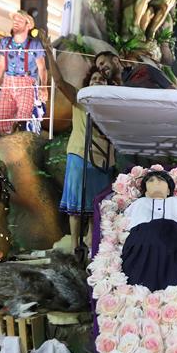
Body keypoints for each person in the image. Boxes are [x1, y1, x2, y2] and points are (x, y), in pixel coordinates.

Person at [58, 69, 113, 252]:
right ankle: (75, 246)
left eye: (102, 79)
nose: (97, 81)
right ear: (88, 84)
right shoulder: (80, 100)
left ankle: (92, 244)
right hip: (79, 155)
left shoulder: (112, 106)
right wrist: (50, 53)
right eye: (94, 79)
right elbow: (59, 81)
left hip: (104, 160)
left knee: (96, 207)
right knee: (76, 205)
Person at [121, 170, 177, 290]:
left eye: (161, 180)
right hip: (143, 241)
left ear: (169, 190)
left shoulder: (176, 202)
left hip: (175, 241)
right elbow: (126, 224)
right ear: (146, 191)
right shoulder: (139, 203)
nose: (156, 183)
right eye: (151, 180)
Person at [0, 11, 48, 137]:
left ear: (28, 25)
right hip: (8, 82)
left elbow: (42, 68)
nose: (15, 22)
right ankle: (4, 147)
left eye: (19, 21)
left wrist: (43, 87)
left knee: (22, 120)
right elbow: (1, 65)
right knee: (2, 122)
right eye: (14, 20)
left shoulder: (35, 44)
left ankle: (21, 145)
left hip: (26, 83)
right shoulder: (5, 42)